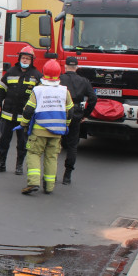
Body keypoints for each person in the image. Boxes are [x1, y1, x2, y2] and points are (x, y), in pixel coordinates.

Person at [18, 59, 74, 195]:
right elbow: (70, 111)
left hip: (39, 130)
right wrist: (65, 125)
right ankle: (49, 187)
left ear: (44, 73)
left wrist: (23, 124)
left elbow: (28, 110)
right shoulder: (64, 91)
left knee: (33, 154)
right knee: (51, 157)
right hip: (57, 132)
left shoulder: (38, 90)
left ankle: (33, 183)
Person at [0, 45, 42, 174]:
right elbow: (0, 90)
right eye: (23, 58)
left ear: (31, 61)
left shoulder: (36, 76)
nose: (24, 61)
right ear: (19, 58)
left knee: (23, 143)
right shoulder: (11, 72)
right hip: (7, 115)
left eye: (27, 59)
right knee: (3, 141)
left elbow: (40, 96)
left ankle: (19, 166)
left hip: (24, 118)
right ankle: (1, 163)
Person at [59, 56, 97, 185]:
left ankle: (50, 173)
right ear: (77, 67)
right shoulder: (84, 81)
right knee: (72, 145)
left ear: (65, 67)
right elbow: (93, 99)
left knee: (53, 143)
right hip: (75, 115)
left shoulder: (60, 79)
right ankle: (67, 175)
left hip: (60, 113)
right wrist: (85, 114)